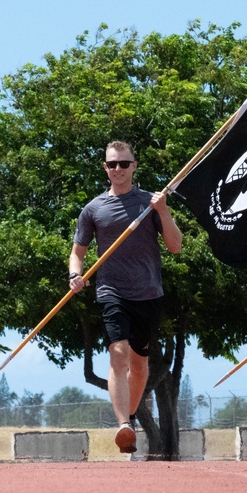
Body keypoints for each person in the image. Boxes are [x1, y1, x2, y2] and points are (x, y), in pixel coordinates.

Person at [69, 141, 182, 454]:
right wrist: (74, 275)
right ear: (105, 168)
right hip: (111, 291)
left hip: (147, 292)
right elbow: (77, 253)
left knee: (140, 364)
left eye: (123, 163)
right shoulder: (93, 209)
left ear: (134, 166)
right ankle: (123, 423)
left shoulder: (150, 202)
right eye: (111, 164)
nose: (117, 169)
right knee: (118, 353)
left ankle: (130, 417)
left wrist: (164, 210)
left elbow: (175, 246)